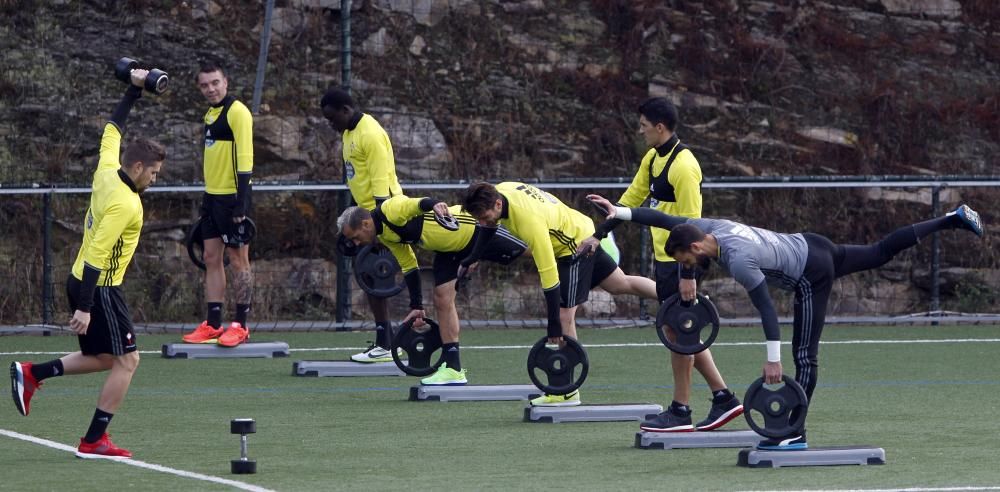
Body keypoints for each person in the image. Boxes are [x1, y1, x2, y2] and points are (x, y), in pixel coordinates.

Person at [588, 194, 986, 449]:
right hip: (811, 242)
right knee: (880, 251)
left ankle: (794, 434)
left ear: (693, 248)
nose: (687, 269)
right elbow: (662, 219)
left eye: (685, 263)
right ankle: (952, 218)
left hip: (812, 274)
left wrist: (773, 359)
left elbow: (765, 307)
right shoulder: (711, 228)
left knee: (804, 358)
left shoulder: (740, 260)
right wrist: (618, 213)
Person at [9, 70, 166, 459]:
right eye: (154, 172)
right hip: (99, 289)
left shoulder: (107, 169)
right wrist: (85, 306)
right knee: (128, 360)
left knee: (103, 358)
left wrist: (134, 88)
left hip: (80, 279)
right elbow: (98, 253)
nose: (155, 179)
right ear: (137, 168)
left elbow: (113, 126)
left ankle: (32, 374)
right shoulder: (126, 204)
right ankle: (94, 440)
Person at [576, 97, 742, 432]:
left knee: (679, 332)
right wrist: (599, 233)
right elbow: (631, 200)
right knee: (682, 329)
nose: (641, 131)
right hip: (664, 263)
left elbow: (695, 228)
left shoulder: (684, 167)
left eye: (643, 126)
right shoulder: (653, 158)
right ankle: (723, 398)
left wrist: (688, 273)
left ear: (660, 127)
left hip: (680, 265)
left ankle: (681, 411)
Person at [461, 182, 659, 407]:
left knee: (565, 316)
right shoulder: (500, 190)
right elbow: (488, 227)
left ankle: (567, 390)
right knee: (619, 283)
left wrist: (553, 324)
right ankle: (671, 296)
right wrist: (473, 257)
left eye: (484, 215)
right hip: (581, 227)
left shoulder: (528, 221)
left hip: (575, 247)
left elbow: (549, 276)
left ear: (497, 203)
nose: (482, 221)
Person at [336, 195, 527, 384]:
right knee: (441, 298)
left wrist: (434, 204)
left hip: (473, 230)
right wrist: (416, 305)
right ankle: (453, 369)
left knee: (532, 251)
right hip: (448, 250)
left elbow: (416, 203)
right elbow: (409, 266)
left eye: (356, 237)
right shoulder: (385, 234)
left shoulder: (390, 210)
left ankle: (557, 254)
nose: (357, 243)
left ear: (365, 224)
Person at [321, 87, 404, 362]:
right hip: (365, 217)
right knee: (370, 280)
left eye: (333, 119)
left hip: (383, 215)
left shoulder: (370, 134)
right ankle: (385, 342)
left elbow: (381, 187)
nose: (331, 126)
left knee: (379, 279)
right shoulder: (348, 133)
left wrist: (378, 226)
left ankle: (389, 346)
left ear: (346, 110)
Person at [182, 63, 255, 347]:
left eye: (215, 83)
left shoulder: (238, 112)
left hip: (233, 199)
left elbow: (246, 160)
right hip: (211, 198)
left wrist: (242, 205)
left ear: (226, 81)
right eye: (204, 85)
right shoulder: (210, 113)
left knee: (239, 261)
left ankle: (240, 325)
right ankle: (213, 324)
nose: (211, 89)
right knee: (212, 258)